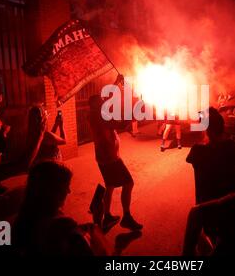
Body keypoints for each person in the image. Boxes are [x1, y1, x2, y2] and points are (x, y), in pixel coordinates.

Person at [13, 161, 110, 257]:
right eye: (66, 186)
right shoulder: (64, 227)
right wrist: (97, 222)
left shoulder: (23, 218)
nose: (69, 191)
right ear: (54, 191)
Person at [88, 90, 143, 231]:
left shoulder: (97, 114)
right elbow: (117, 124)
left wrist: (116, 83)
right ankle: (126, 217)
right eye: (100, 101)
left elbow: (112, 124)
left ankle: (106, 216)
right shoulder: (98, 116)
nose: (103, 102)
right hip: (110, 158)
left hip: (105, 156)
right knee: (129, 182)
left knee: (110, 186)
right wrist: (132, 116)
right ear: (95, 105)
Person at [186, 107, 235, 204]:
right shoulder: (231, 146)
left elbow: (189, 159)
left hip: (206, 204)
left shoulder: (198, 150)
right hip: (227, 203)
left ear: (207, 131)